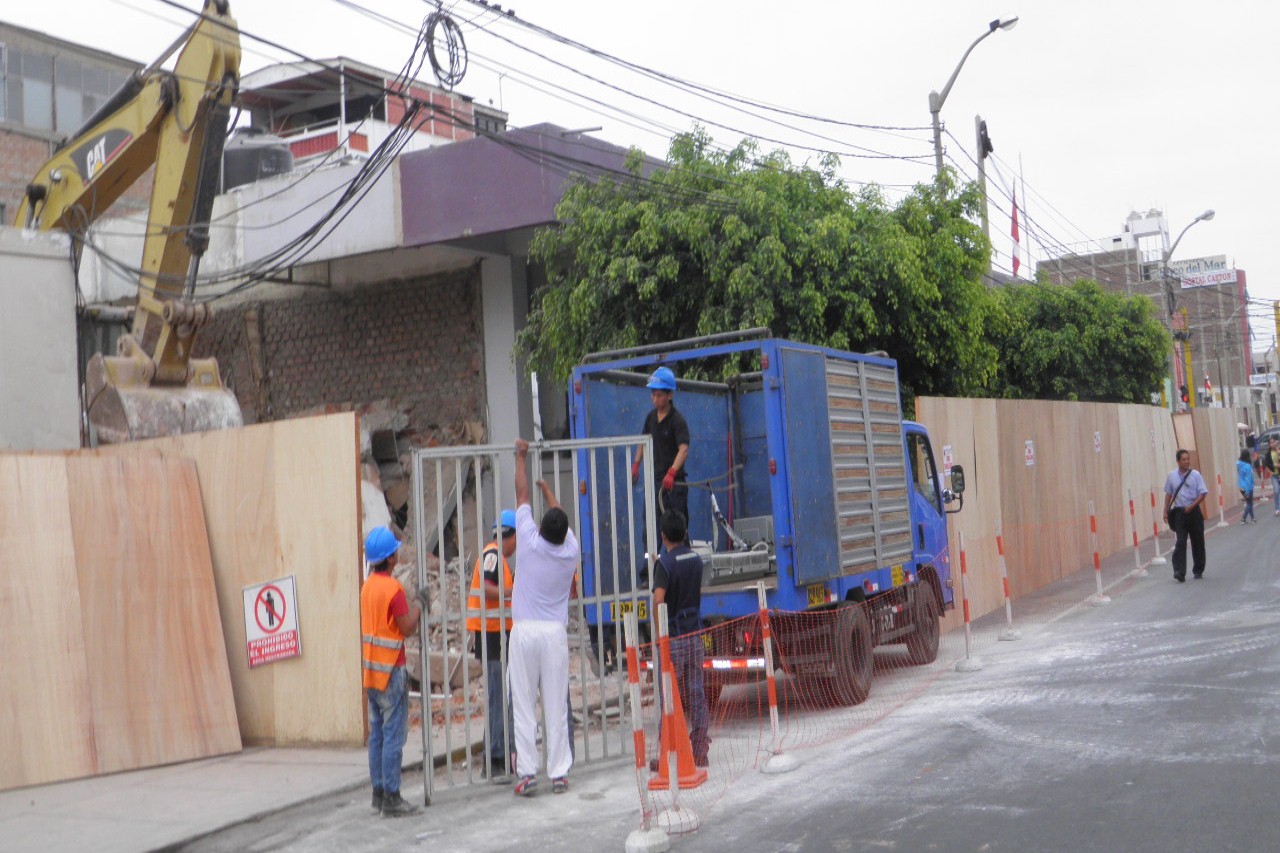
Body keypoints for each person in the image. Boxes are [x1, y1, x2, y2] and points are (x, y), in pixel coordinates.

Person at [508, 439, 580, 797]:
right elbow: (560, 517)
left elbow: (521, 493)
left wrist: (521, 455)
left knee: (524, 703)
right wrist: (551, 493)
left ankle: (526, 773)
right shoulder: (570, 552)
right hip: (554, 634)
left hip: (523, 632)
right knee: (556, 704)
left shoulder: (527, 539)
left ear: (540, 528)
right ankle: (559, 773)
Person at [360, 526, 425, 817]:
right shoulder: (393, 590)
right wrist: (421, 604)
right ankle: (392, 797)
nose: (398, 552)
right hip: (391, 671)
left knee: (377, 735)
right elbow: (407, 626)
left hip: (371, 672)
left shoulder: (367, 587)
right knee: (393, 737)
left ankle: (378, 793)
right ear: (389, 558)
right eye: (394, 550)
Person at [651, 509, 710, 768]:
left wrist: (659, 633)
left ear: (663, 536)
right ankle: (699, 749)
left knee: (669, 696)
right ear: (685, 533)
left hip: (673, 638)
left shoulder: (664, 564)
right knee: (696, 691)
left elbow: (659, 599)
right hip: (694, 635)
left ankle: (669, 752)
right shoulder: (695, 560)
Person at [467, 509, 517, 779]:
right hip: (492, 634)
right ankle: (495, 757)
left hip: (499, 633)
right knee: (498, 695)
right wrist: (513, 592)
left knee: (501, 695)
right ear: (510, 536)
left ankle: (497, 752)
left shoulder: (498, 558)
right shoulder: (493, 554)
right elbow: (487, 588)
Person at [630, 366, 690, 540]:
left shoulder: (677, 421)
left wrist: (672, 473)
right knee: (650, 531)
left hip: (674, 486)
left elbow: (683, 449)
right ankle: (651, 565)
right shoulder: (650, 418)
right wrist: (636, 464)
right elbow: (643, 441)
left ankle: (681, 563)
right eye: (653, 394)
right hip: (654, 484)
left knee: (678, 529)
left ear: (669, 395)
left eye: (659, 395)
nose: (655, 399)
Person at [1162, 450, 1209, 583]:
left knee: (1198, 541)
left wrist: (1192, 506)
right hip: (1179, 513)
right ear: (1178, 461)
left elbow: (1203, 493)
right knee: (1180, 542)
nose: (1187, 461)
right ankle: (1179, 571)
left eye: (1188, 459)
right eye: (1184, 459)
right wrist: (1165, 511)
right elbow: (1169, 494)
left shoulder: (1196, 475)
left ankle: (1198, 569)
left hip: (1193, 512)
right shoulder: (1171, 476)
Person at [1238, 449, 1257, 524]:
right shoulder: (1248, 466)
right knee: (1249, 503)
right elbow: (1249, 479)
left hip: (1241, 486)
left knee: (1249, 503)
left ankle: (1253, 518)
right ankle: (1243, 518)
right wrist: (1249, 490)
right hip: (1248, 487)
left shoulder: (1239, 464)